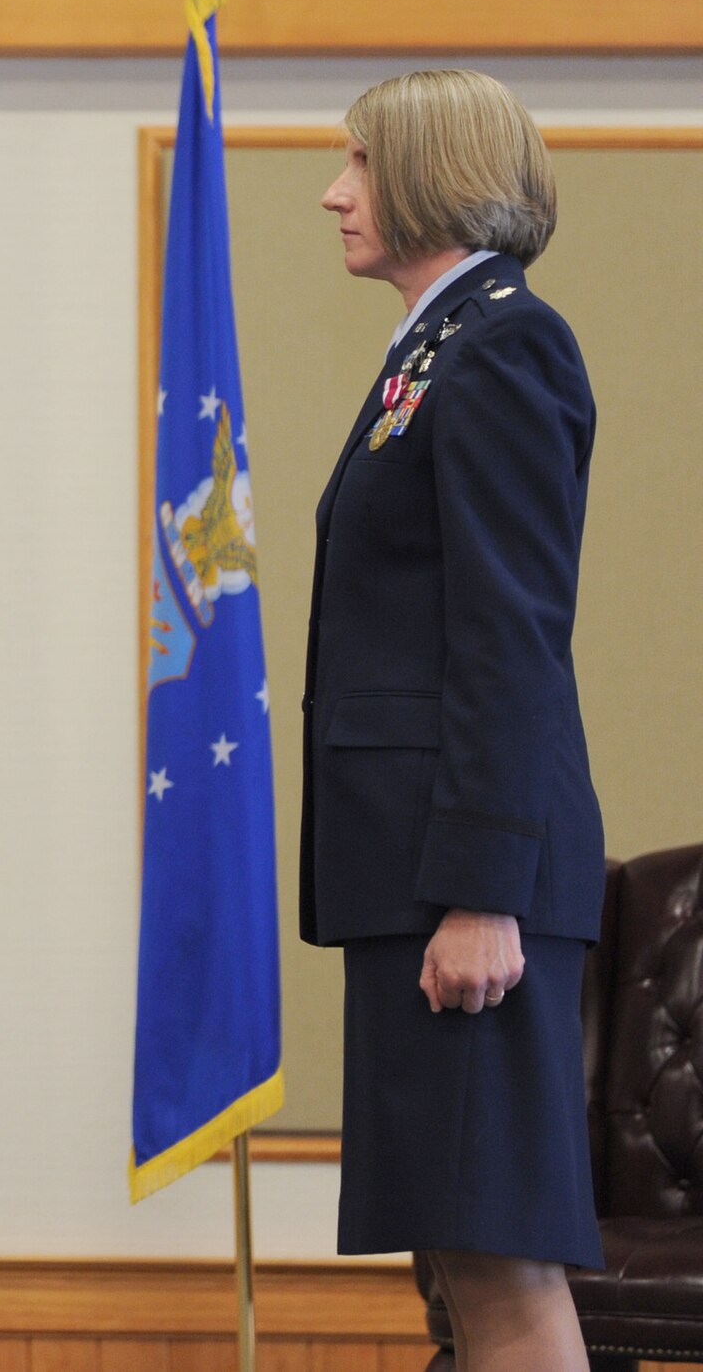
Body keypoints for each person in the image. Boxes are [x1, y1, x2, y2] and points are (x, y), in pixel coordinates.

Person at [306, 69, 604, 1371]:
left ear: (431, 173)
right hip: (416, 868)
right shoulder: (436, 344)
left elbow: (510, 630)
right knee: (458, 1255)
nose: (334, 191)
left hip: (471, 878)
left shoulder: (504, 342)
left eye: (360, 163)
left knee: (499, 1255)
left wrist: (483, 890)